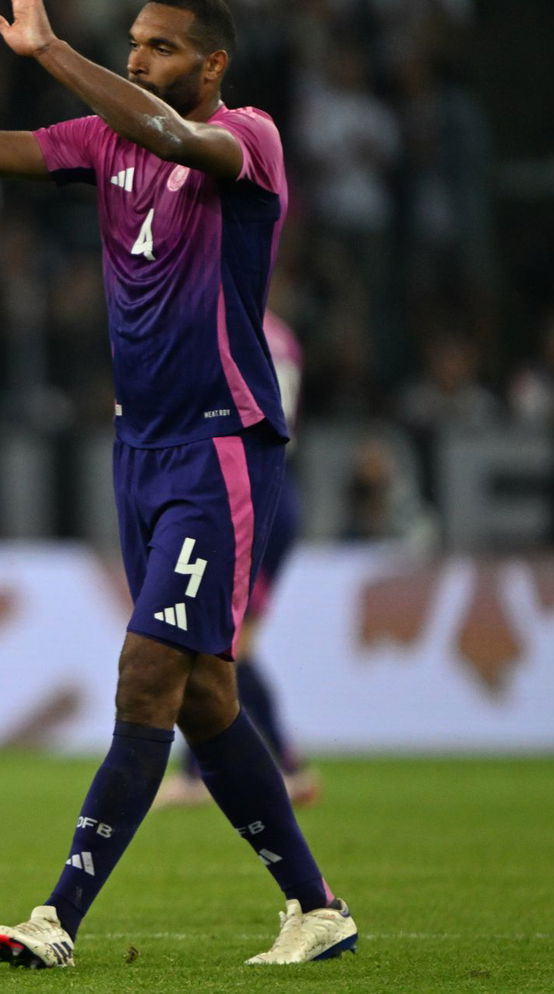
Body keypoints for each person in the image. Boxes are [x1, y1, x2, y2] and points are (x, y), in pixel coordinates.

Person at [0, 0, 357, 968]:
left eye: (159, 46)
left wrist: (50, 50)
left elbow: (165, 132)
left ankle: (56, 916)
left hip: (218, 445)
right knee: (205, 695)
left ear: (211, 64)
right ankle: (315, 906)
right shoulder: (100, 140)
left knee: (146, 669)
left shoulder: (246, 139)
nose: (139, 58)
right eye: (132, 41)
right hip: (139, 448)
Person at [154, 310, 321, 808]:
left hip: (244, 494)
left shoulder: (219, 326)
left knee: (224, 643)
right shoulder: (279, 331)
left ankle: (286, 766)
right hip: (271, 488)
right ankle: (203, 771)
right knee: (215, 640)